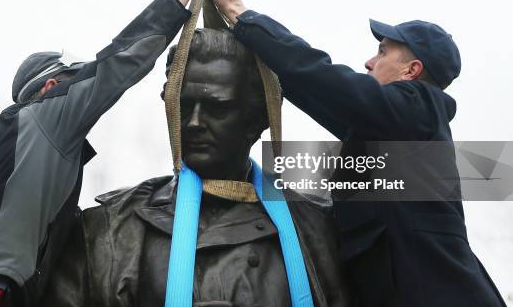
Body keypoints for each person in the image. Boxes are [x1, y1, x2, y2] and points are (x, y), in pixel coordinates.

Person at [0, 0, 220, 307]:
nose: (80, 88)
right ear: (50, 88)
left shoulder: (24, 154)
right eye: (72, 79)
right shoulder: (41, 119)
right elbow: (119, 62)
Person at [207, 0, 507, 306]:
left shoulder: (419, 108)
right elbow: (315, 91)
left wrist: (240, 13)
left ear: (411, 71)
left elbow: (321, 75)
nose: (368, 62)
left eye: (382, 52)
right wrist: (256, 48)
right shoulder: (395, 128)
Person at [40, 28, 353, 307]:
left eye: (218, 108)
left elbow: (398, 158)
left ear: (257, 120)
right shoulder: (107, 228)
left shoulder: (316, 228)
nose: (193, 123)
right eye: (183, 106)